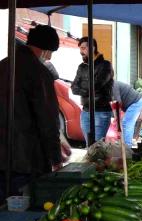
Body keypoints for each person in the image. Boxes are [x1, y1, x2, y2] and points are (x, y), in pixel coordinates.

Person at [0, 25, 66, 199]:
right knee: (22, 209)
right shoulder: (39, 73)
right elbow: (47, 118)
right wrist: (55, 156)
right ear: (46, 49)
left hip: (3, 156)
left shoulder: (3, 66)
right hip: (26, 158)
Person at [72, 37, 114, 146]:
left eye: (84, 48)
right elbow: (74, 88)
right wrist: (89, 89)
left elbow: (98, 85)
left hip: (101, 111)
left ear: (93, 48)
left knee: (98, 147)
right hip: (85, 111)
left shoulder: (106, 65)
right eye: (80, 49)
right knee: (89, 147)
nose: (81, 52)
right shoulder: (82, 67)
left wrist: (84, 87)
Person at [112, 81, 142, 147]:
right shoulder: (110, 86)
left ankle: (127, 147)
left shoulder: (113, 86)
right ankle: (125, 144)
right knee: (125, 123)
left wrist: (117, 119)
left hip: (136, 102)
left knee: (127, 123)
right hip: (131, 103)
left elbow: (116, 103)